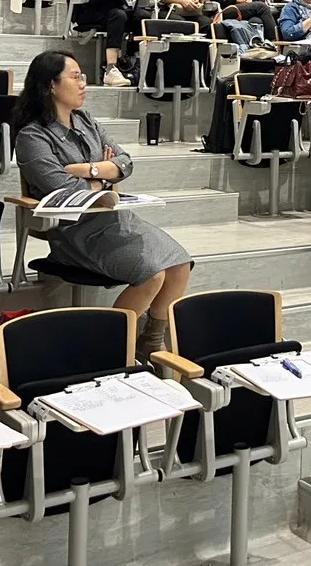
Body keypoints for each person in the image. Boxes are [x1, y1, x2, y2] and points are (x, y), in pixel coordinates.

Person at [14, 50, 192, 354]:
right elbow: (62, 187)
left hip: (114, 218)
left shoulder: (86, 121)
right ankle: (108, 348)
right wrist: (103, 175)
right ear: (51, 85)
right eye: (75, 77)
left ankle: (150, 343)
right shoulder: (33, 137)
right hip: (74, 229)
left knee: (180, 264)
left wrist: (88, 170)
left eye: (82, 77)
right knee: (151, 274)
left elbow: (125, 162)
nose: (83, 83)